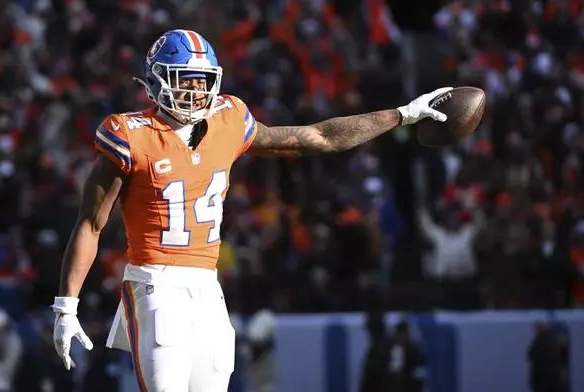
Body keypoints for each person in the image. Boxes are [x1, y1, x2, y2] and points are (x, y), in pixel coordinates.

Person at [51, 29, 451, 392]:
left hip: (208, 287)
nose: (194, 90)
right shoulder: (128, 133)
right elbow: (91, 222)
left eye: (201, 80)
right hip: (154, 282)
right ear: (156, 79)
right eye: (183, 79)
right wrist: (66, 305)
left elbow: (320, 137)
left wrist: (401, 115)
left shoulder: (229, 120)